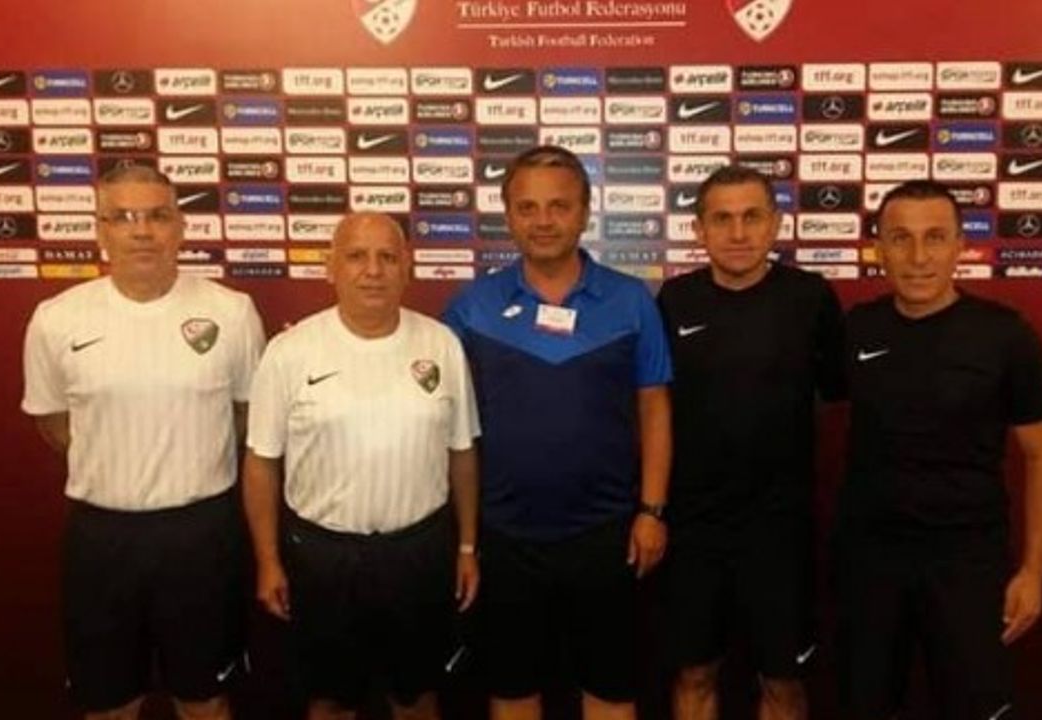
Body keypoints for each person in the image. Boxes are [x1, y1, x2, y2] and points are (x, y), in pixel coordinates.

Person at [21, 165, 265, 720]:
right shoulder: (57, 319)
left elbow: (245, 415)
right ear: (100, 229)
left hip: (202, 535)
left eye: (158, 215)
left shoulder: (231, 312)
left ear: (181, 227)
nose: (142, 231)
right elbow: (54, 424)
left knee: (204, 701)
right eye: (123, 217)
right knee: (109, 704)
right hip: (101, 540)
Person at [443, 145, 673, 720]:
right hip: (506, 537)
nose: (543, 220)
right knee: (513, 690)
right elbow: (443, 421)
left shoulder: (631, 300)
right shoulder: (472, 306)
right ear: (508, 215)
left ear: (585, 212)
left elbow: (654, 408)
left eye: (559, 206)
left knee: (611, 692)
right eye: (527, 207)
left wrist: (652, 510)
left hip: (607, 534)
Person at [837, 179, 1042, 720]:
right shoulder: (855, 329)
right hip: (870, 560)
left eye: (935, 237)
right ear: (879, 248)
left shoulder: (1006, 335)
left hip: (969, 560)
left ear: (961, 245)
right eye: (901, 238)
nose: (918, 257)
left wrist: (1033, 571)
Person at [242, 212, 480, 720]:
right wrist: (268, 560)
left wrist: (466, 546)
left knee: (417, 697)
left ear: (406, 267)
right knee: (329, 700)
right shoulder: (288, 351)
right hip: (321, 557)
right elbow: (261, 464)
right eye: (356, 256)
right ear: (330, 267)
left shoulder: (441, 343)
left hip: (418, 551)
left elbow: (461, 453)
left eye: (387, 257)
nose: (373, 270)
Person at [656, 166, 845, 720]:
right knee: (694, 675)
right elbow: (653, 408)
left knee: (783, 682)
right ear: (699, 230)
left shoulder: (811, 298)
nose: (738, 233)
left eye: (751, 217)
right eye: (722, 219)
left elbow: (839, 394)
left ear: (775, 225)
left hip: (781, 530)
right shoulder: (675, 299)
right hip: (693, 528)